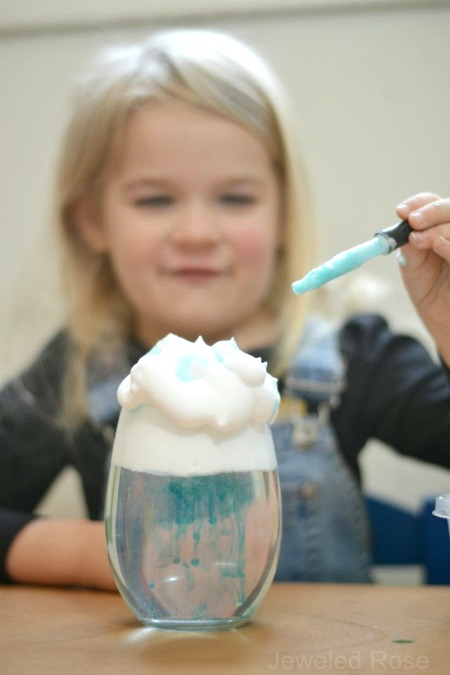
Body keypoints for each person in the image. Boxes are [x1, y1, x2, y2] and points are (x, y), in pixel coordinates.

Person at [1, 28, 450, 590]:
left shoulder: (354, 358)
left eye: (235, 198)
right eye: (155, 199)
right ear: (93, 221)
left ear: (283, 214)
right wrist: (80, 550)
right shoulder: (74, 370)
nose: (196, 232)